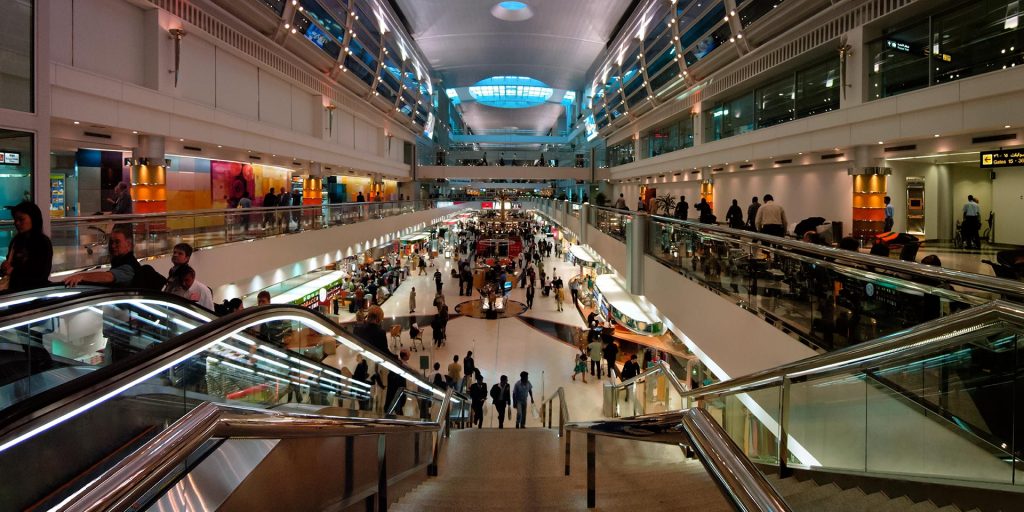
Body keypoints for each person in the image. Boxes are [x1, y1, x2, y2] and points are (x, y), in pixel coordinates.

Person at [63, 227, 141, 287]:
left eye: (117, 242)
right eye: (111, 242)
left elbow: (108, 277)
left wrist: (81, 276)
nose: (113, 246)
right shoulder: (120, 262)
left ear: (128, 245)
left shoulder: (129, 267)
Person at [2, 201, 53, 292]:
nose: (17, 223)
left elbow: (40, 274)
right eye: (15, 219)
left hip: (32, 293)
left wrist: (12, 271)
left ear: (33, 219)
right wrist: (4, 268)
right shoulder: (16, 241)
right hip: (15, 291)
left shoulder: (42, 243)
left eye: (21, 219)